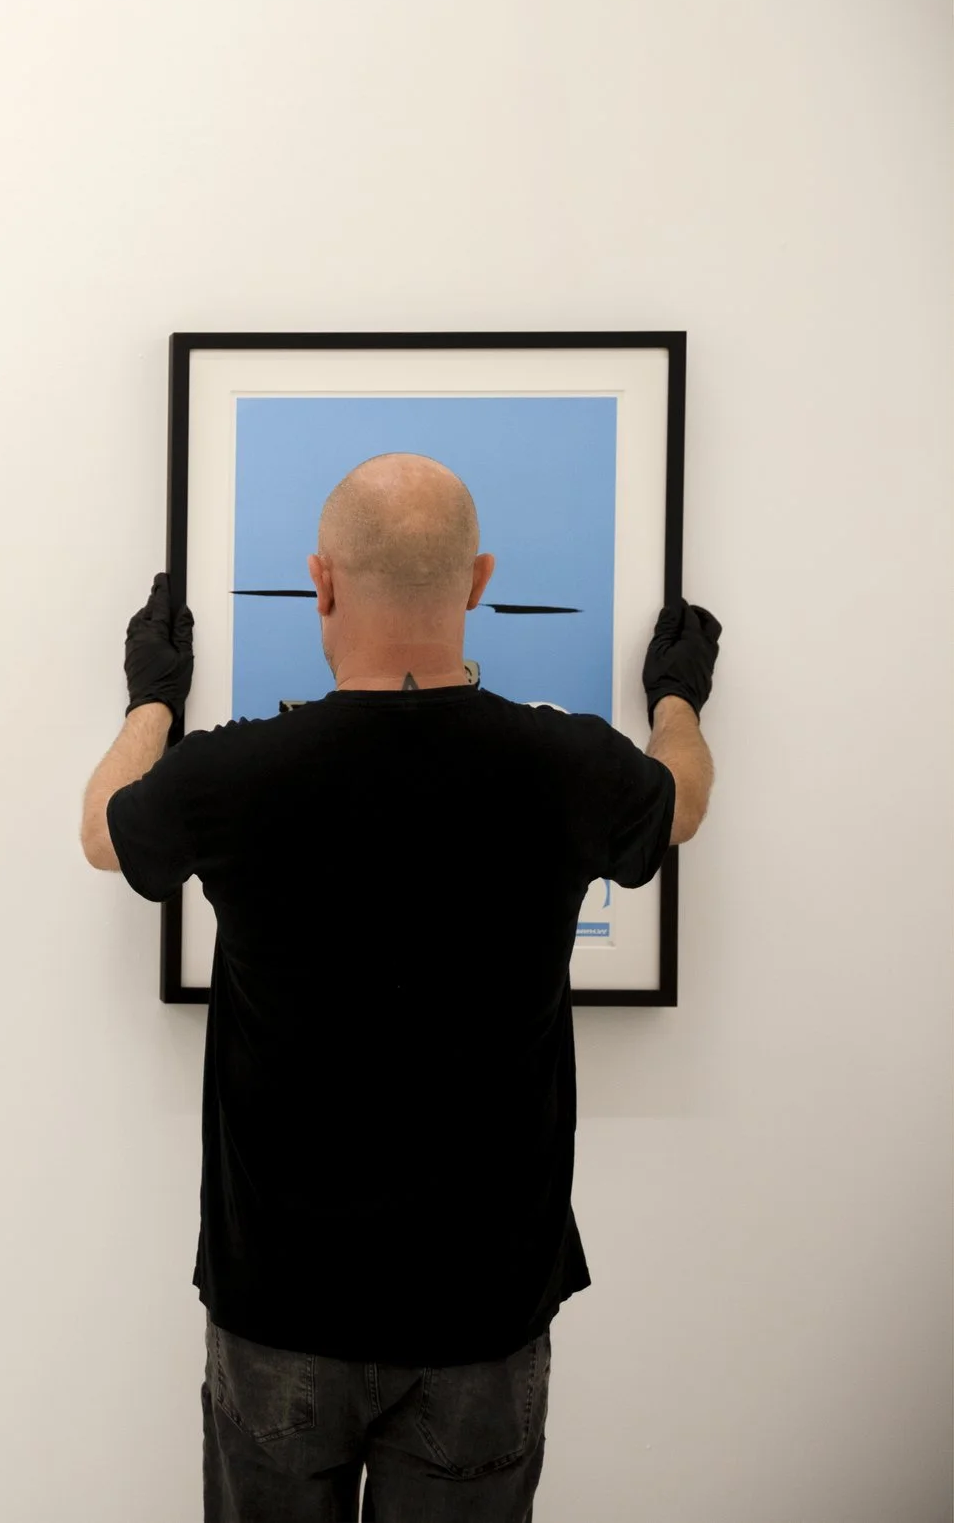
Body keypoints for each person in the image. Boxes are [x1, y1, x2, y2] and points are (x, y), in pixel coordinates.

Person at [77, 453, 719, 1522]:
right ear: (477, 580)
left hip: (278, 1303)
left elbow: (105, 830)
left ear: (321, 583)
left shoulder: (235, 774)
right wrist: (675, 693)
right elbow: (681, 801)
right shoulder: (564, 766)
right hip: (480, 1314)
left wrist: (152, 699)